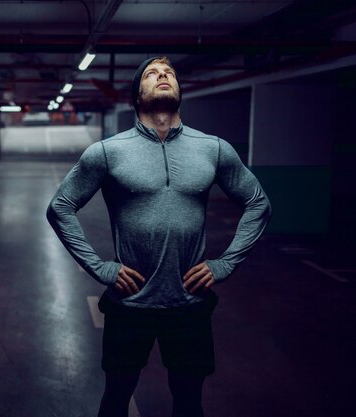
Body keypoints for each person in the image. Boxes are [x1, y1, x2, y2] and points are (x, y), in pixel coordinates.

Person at [46, 56, 272, 417]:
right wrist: (100, 269)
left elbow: (258, 203)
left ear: (179, 89)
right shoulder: (107, 152)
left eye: (169, 73)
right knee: (117, 396)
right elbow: (60, 207)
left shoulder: (213, 148)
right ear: (138, 96)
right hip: (129, 302)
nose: (163, 76)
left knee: (189, 400)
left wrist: (225, 263)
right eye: (152, 73)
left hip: (189, 303)